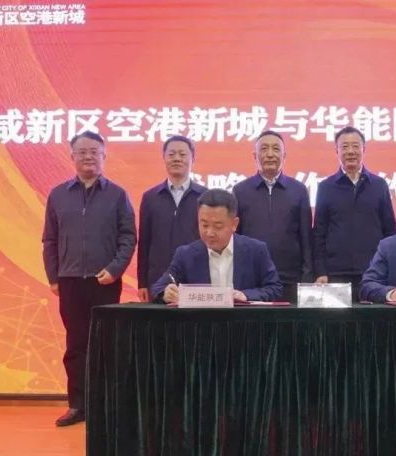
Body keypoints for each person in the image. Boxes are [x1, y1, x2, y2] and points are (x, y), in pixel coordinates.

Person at [42, 131, 136, 426]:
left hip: (104, 281)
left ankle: (105, 405)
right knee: (76, 344)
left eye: (94, 151)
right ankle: (77, 405)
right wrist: (54, 276)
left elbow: (128, 237)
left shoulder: (117, 195)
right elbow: (50, 239)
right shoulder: (58, 195)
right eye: (82, 152)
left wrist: (115, 269)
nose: (88, 157)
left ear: (104, 156)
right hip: (70, 281)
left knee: (105, 344)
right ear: (72, 157)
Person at [150, 189, 283, 303]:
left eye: (218, 226)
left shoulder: (256, 250)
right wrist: (165, 293)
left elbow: (275, 288)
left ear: (234, 224)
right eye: (204, 225)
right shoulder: (185, 255)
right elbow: (158, 287)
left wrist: (245, 295)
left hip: (243, 322)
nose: (209, 233)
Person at [313, 126, 396, 302]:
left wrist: (391, 267)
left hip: (373, 272)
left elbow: (390, 231)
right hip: (336, 274)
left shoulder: (379, 185)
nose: (350, 151)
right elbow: (319, 233)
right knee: (337, 320)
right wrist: (321, 271)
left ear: (364, 149)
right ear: (336, 151)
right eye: (344, 147)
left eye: (355, 146)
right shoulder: (326, 187)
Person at [233, 130, 312, 303]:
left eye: (276, 149)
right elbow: (236, 237)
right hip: (252, 281)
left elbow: (306, 238)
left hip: (290, 279)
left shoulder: (298, 190)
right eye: (264, 149)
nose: (270, 154)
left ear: (284, 156)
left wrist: (307, 276)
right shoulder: (240, 191)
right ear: (255, 156)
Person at [136, 135, 207, 302]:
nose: (176, 158)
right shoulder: (150, 197)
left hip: (195, 277)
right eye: (171, 154)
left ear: (192, 159)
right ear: (164, 158)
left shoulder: (205, 196)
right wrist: (142, 283)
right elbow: (144, 242)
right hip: (158, 279)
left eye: (182, 154)